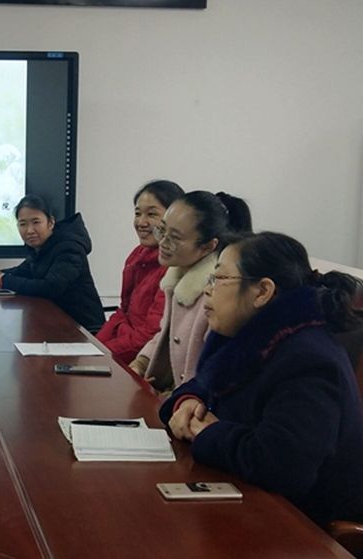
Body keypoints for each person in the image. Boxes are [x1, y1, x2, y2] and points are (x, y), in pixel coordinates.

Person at [160, 232, 363, 526]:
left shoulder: (308, 360)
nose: (207, 289)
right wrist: (187, 402)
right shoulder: (247, 339)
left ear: (262, 291)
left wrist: (209, 433)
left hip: (305, 526)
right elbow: (203, 385)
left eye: (219, 278)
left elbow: (283, 466)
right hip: (248, 501)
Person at [129, 191, 251, 391]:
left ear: (208, 246)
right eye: (162, 231)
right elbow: (164, 335)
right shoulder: (177, 277)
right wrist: (140, 364)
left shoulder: (216, 293)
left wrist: (173, 398)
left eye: (175, 238)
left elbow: (212, 374)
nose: (162, 242)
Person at [97, 180, 185, 366]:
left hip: (144, 362)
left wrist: (102, 354)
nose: (141, 222)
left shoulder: (174, 268)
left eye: (151, 214)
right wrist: (95, 346)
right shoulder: (137, 255)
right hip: (122, 350)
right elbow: (123, 311)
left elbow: (150, 336)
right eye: (137, 213)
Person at [0, 195, 104, 332]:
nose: (29, 230)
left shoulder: (69, 248)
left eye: (36, 222)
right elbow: (22, 271)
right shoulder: (41, 248)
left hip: (82, 330)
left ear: (51, 222)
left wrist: (5, 281)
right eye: (23, 224)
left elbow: (50, 287)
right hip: (53, 322)